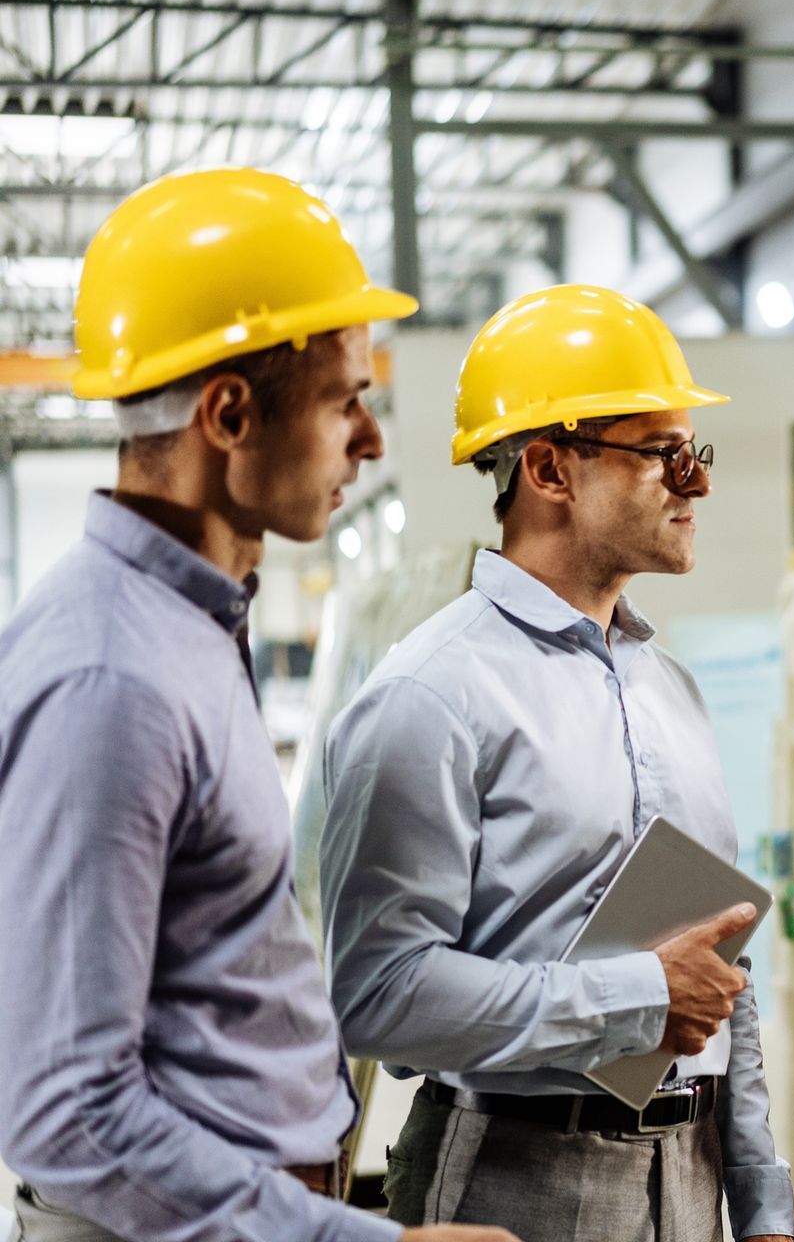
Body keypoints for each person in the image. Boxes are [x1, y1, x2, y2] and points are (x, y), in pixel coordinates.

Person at [0, 167, 514, 1242]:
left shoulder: (189, 625)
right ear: (228, 413)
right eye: (345, 399)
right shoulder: (111, 676)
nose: (369, 441)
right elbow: (65, 1109)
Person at [318, 285, 794, 1242]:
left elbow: (717, 973)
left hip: (695, 1179)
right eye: (663, 454)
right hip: (514, 1175)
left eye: (691, 453)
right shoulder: (432, 696)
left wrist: (763, 1201)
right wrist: (639, 993)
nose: (695, 482)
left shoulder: (674, 693)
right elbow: (375, 993)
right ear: (549, 469)